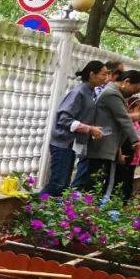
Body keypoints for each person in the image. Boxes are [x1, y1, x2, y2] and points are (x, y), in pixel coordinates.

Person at [81, 69, 140, 199]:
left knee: (96, 183)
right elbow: (123, 119)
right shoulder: (112, 94)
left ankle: (89, 210)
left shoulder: (115, 93)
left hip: (107, 146)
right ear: (126, 82)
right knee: (104, 184)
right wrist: (135, 141)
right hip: (103, 146)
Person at [44, 60, 108, 196]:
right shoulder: (78, 92)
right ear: (92, 74)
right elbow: (64, 119)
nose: (106, 78)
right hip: (62, 144)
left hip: (70, 145)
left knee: (62, 185)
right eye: (103, 74)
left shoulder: (90, 92)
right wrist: (89, 129)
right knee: (58, 184)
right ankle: (33, 210)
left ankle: (44, 212)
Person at [116, 94, 140, 202]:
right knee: (122, 179)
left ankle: (126, 200)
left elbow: (139, 134)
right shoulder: (128, 123)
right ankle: (120, 200)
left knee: (129, 180)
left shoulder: (138, 123)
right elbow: (132, 137)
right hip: (127, 155)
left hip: (135, 158)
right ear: (130, 109)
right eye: (139, 109)